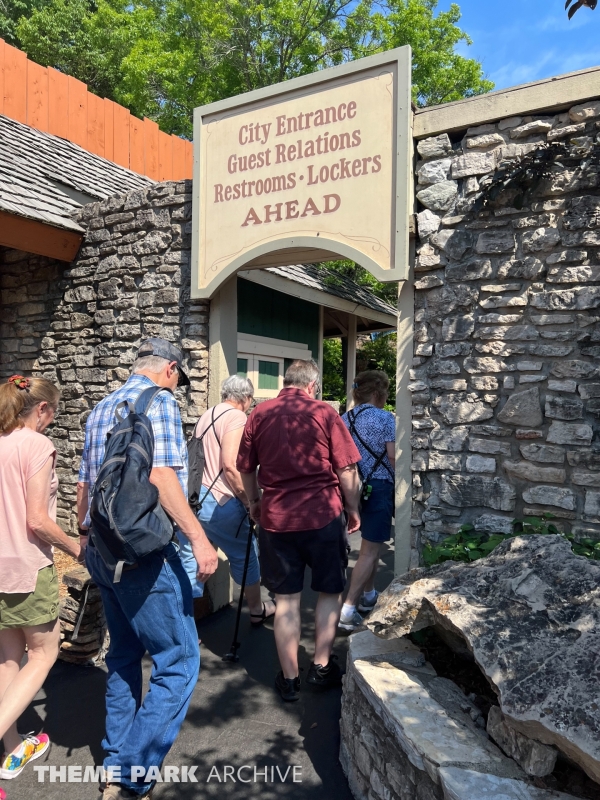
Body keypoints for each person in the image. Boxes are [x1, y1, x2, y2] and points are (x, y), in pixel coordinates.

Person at [77, 339, 218, 800]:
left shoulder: (100, 408)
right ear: (170, 370)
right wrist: (199, 539)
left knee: (121, 656)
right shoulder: (159, 402)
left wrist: (85, 541)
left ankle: (115, 761)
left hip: (102, 548)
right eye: (180, 377)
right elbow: (162, 476)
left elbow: (84, 486)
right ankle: (130, 774)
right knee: (178, 662)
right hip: (142, 554)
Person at [237, 359, 361, 702]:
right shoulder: (324, 414)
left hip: (277, 521)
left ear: (287, 382)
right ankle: (321, 666)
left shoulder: (258, 415)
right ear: (312, 385)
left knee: (287, 601)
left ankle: (289, 679)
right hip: (322, 516)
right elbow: (347, 469)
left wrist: (254, 501)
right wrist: (353, 509)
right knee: (330, 592)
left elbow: (245, 468)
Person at [0, 376, 83, 790]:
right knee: (43, 654)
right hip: (27, 568)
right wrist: (76, 547)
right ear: (43, 410)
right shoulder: (37, 445)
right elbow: (37, 519)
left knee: (9, 656)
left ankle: (13, 747)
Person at [179, 375, 276, 624]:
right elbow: (231, 467)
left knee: (195, 557)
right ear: (246, 398)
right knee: (246, 556)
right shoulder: (236, 418)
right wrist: (249, 500)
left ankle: (186, 621)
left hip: (197, 497)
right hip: (222, 501)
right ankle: (256, 609)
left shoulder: (207, 415)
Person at [338, 370, 395, 632]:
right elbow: (393, 456)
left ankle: (369, 595)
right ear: (377, 393)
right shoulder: (386, 418)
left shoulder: (343, 419)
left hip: (351, 488)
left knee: (367, 550)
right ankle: (348, 609)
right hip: (380, 486)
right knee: (371, 551)